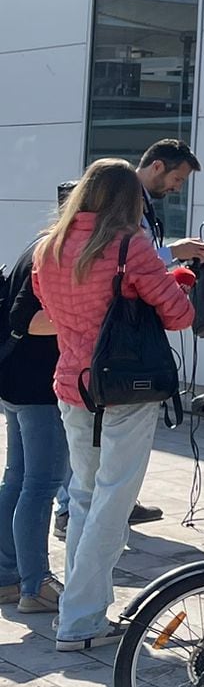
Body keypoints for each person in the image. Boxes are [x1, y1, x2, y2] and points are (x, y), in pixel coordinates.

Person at [32, 161, 195, 650]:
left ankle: (75, 612)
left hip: (72, 382)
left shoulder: (49, 246)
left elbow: (53, 307)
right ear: (129, 200)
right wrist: (179, 282)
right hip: (126, 387)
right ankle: (82, 620)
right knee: (113, 501)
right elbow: (179, 316)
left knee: (85, 495)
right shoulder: (130, 244)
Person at [0, 227, 66, 616]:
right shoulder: (58, 250)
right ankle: (35, 584)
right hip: (39, 386)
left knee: (19, 480)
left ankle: (7, 576)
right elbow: (30, 320)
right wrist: (84, 317)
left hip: (14, 378)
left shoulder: (38, 241)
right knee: (40, 487)